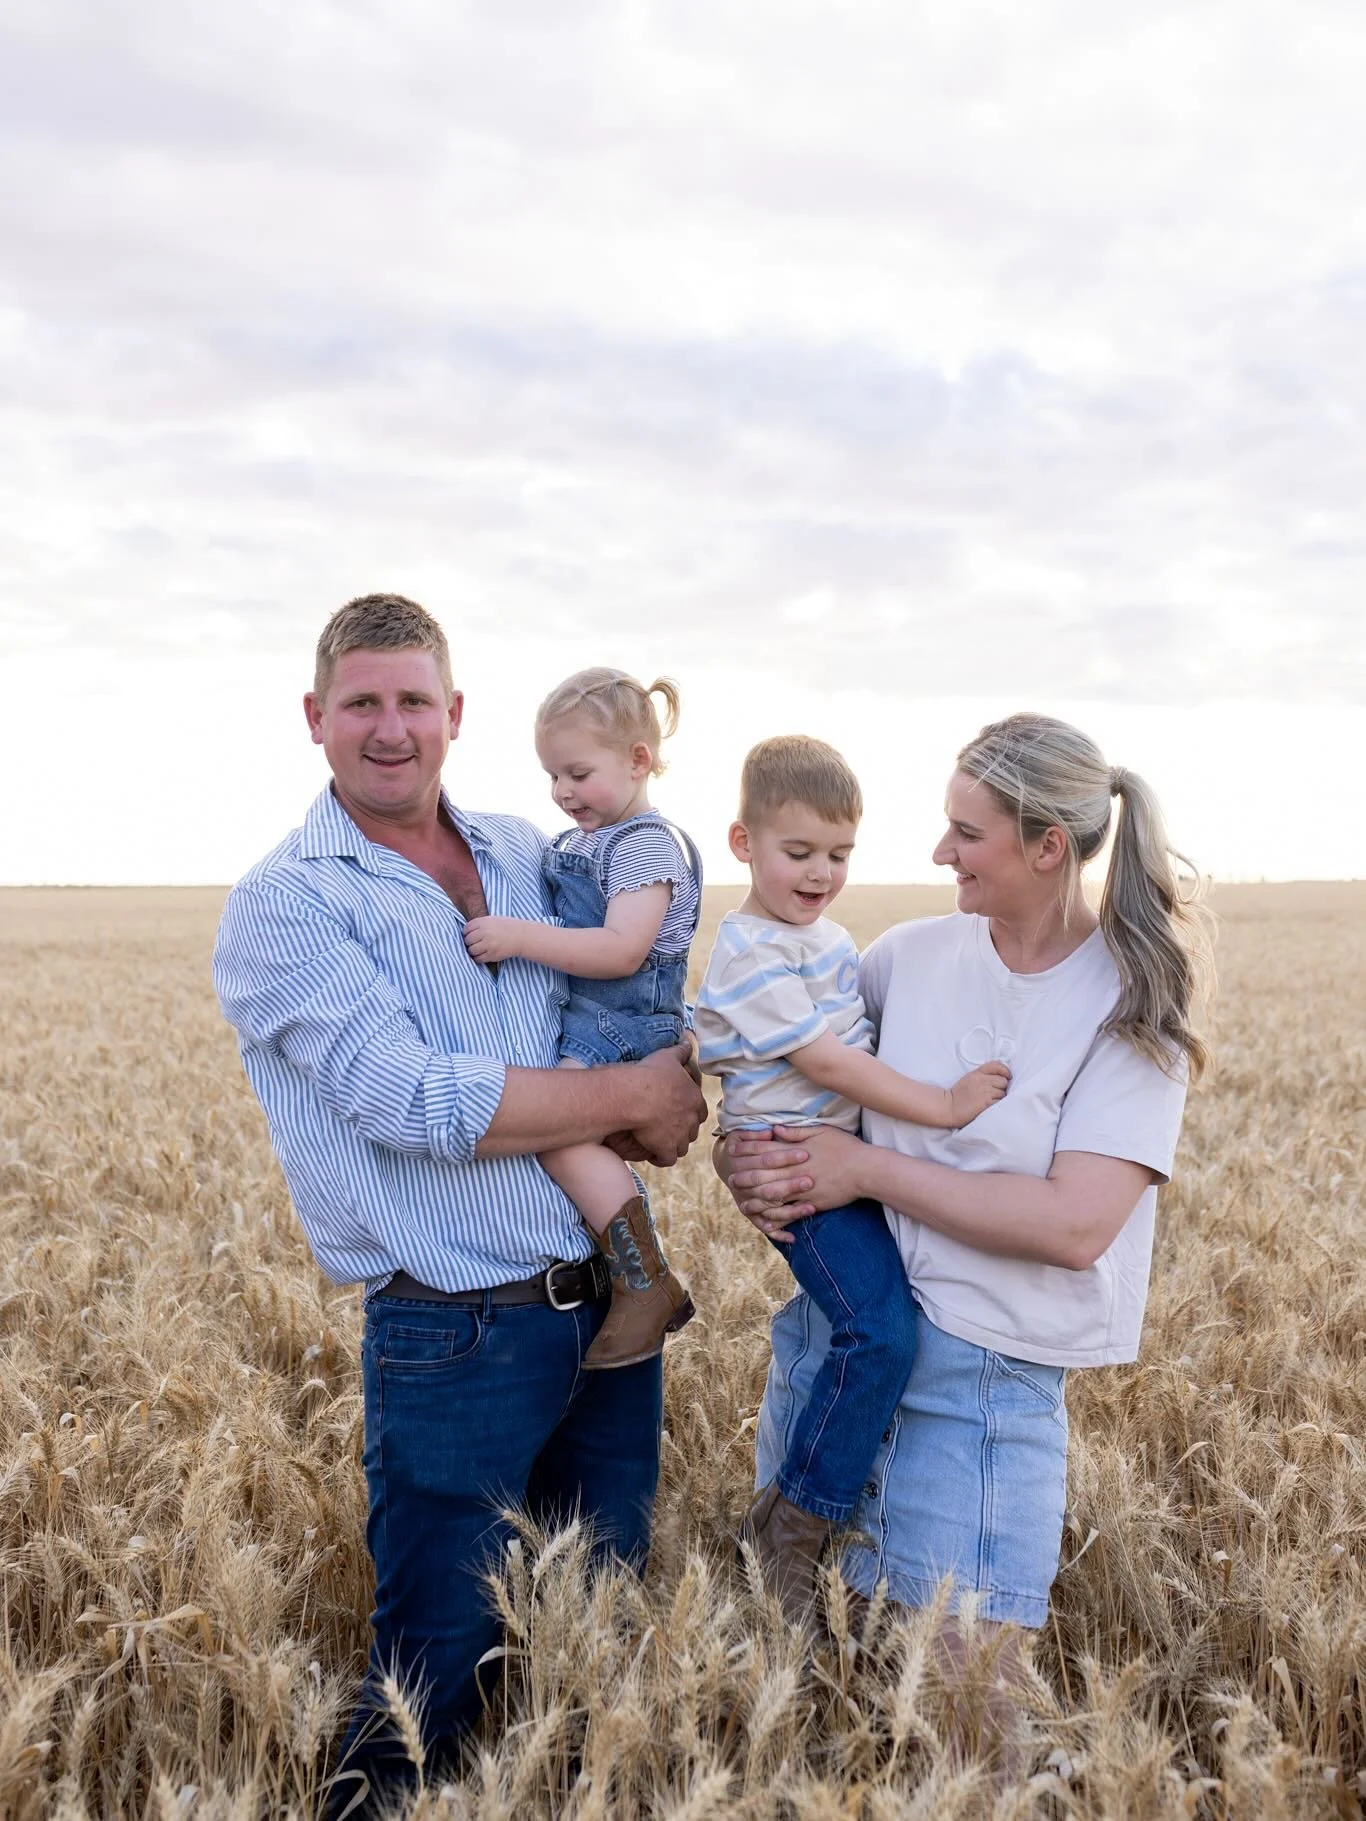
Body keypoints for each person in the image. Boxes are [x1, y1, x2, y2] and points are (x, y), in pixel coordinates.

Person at [212, 595, 706, 1816]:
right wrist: (631, 1095)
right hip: (456, 1331)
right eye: (363, 703)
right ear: (316, 716)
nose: (391, 728)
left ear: (455, 713)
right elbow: (415, 1101)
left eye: (414, 700)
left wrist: (674, 1068)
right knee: (430, 1675)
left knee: (595, 1650)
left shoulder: (529, 851)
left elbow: (621, 984)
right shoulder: (288, 901)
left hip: (608, 1306)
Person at [719, 714, 1212, 1679]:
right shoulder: (907, 955)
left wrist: (863, 1171)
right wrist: (745, 1161)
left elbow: (1076, 1225)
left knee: (967, 1711)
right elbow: (784, 1085)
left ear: (1048, 846)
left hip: (980, 1395)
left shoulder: (1132, 1001)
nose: (941, 850)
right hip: (834, 1361)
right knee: (812, 1693)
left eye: (967, 832)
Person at [693, 735, 1009, 1616]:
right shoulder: (751, 950)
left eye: (839, 854)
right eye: (798, 851)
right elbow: (828, 1062)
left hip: (841, 1167)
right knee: (880, 1333)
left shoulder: (826, 938)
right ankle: (793, 1521)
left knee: (881, 1328)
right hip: (800, 1175)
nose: (821, 872)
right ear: (743, 842)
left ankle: (807, 1511)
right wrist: (943, 1106)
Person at [460, 668, 703, 1368]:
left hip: (622, 1024)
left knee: (559, 1133)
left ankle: (645, 1278)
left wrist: (519, 938)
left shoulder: (645, 845)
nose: (562, 792)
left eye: (578, 773)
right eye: (552, 776)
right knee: (564, 1130)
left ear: (637, 760)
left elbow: (624, 950)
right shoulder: (587, 841)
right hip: (596, 1021)